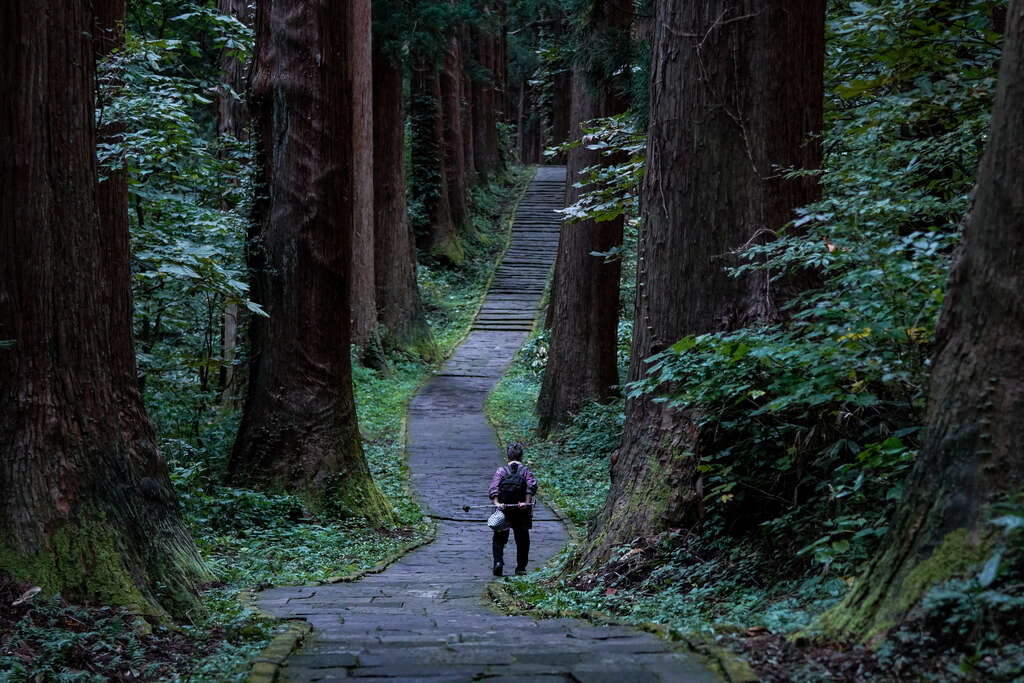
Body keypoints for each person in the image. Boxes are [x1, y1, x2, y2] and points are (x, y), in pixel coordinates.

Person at [488, 441, 538, 576]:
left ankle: (498, 562)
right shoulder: (526, 471)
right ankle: (521, 567)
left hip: (503, 510)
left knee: (499, 537)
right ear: (521, 457)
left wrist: (497, 503)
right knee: (522, 539)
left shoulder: (501, 471)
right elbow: (531, 487)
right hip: (521, 511)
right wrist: (526, 503)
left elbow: (493, 488)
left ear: (508, 457)